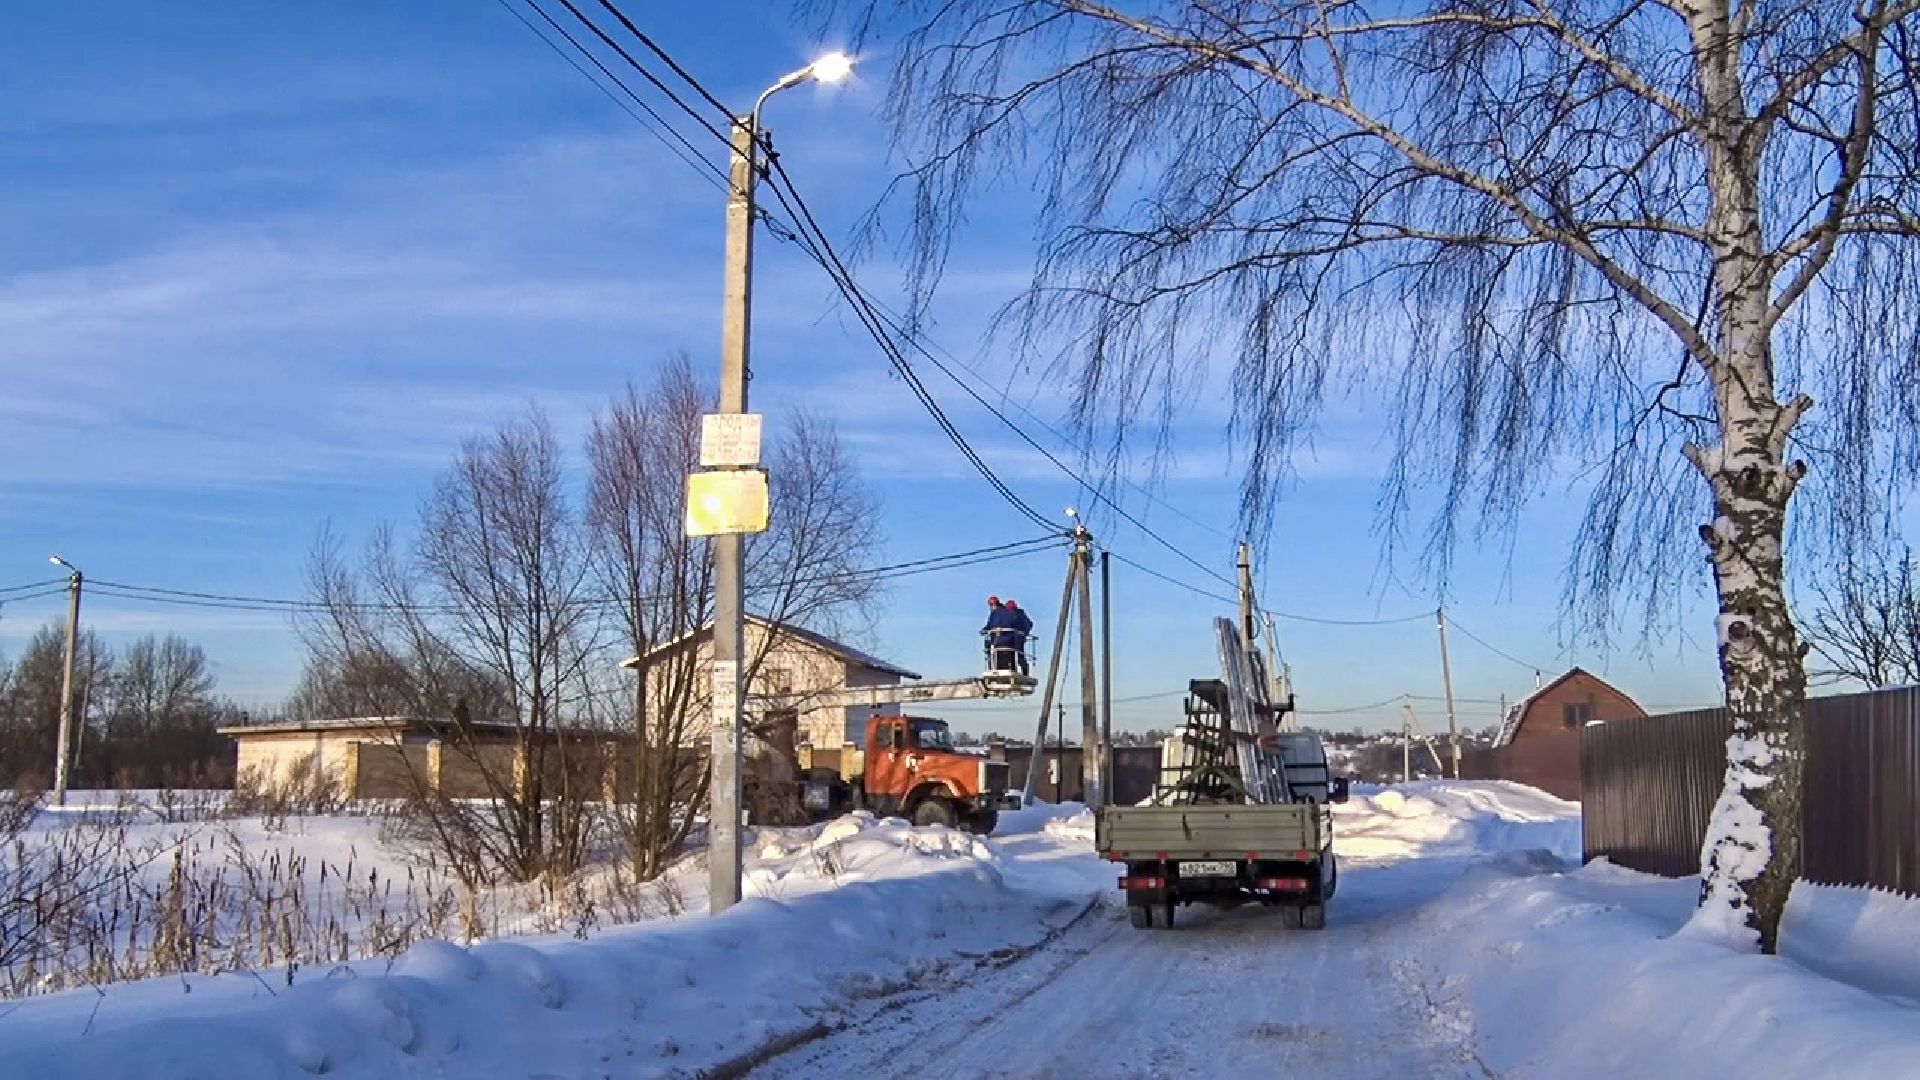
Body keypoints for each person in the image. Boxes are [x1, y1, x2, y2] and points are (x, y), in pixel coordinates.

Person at [982, 596, 1018, 671]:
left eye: (992, 605)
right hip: (996, 641)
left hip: (1004, 641)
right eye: (990, 605)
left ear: (996, 604)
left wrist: (1001, 628)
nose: (991, 607)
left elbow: (1008, 623)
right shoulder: (993, 614)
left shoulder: (1004, 612)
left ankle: (1007, 668)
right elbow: (990, 625)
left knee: (1004, 660)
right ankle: (993, 668)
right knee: (996, 659)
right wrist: (985, 630)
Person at [1004, 599, 1033, 676]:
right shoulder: (1015, 615)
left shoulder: (1020, 615)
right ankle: (1014, 669)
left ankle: (1024, 671)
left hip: (1018, 639)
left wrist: (1024, 633)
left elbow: (1029, 624)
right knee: (1012, 655)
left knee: (1019, 656)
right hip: (1011, 639)